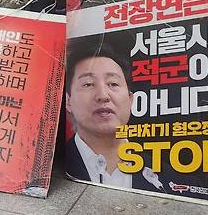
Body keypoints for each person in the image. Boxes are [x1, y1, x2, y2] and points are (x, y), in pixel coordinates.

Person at [65, 44, 166, 192]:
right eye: (88, 84)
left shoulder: (170, 179)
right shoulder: (53, 167)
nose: (103, 96)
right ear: (68, 101)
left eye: (113, 83)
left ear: (130, 99)